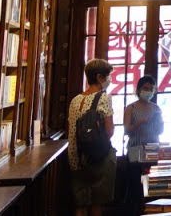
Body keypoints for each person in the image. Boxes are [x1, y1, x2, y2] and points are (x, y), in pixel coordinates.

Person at [69, 58, 117, 216]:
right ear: (99, 77)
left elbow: (72, 134)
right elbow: (109, 131)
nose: (109, 80)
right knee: (97, 203)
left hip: (79, 157)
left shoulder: (75, 101)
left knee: (80, 204)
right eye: (108, 76)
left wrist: (75, 162)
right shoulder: (104, 98)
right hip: (100, 157)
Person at [123, 75, 163, 213]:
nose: (148, 91)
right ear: (139, 89)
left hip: (153, 150)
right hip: (135, 151)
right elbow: (127, 130)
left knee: (151, 187)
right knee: (136, 187)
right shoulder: (131, 108)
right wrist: (139, 123)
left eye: (151, 89)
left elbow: (160, 131)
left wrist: (159, 122)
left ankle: (151, 211)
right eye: (146, 88)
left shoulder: (156, 108)